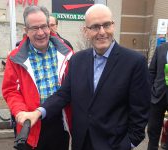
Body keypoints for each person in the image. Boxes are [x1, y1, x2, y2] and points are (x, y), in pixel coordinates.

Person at [18, 4, 151, 150]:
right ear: (85, 31)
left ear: (113, 26)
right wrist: (38, 112)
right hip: (81, 143)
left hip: (115, 145)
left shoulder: (134, 62)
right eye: (95, 27)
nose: (102, 32)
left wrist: (129, 143)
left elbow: (141, 111)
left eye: (106, 25)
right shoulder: (77, 60)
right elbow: (63, 94)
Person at [2, 5, 73, 150]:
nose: (40, 33)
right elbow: (10, 90)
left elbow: (72, 87)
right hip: (30, 124)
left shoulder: (66, 53)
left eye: (43, 26)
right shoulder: (15, 57)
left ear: (49, 27)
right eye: (34, 28)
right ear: (26, 31)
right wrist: (20, 112)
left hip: (60, 122)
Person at [147, 42, 168, 150]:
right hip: (158, 96)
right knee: (153, 130)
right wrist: (150, 91)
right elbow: (151, 72)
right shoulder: (161, 48)